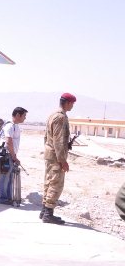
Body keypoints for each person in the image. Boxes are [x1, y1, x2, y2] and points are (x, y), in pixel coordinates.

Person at [41, 92, 76, 224]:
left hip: (50, 154)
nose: (72, 106)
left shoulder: (52, 115)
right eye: (72, 103)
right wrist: (63, 161)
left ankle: (44, 211)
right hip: (56, 157)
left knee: (49, 182)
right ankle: (48, 214)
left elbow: (46, 137)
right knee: (56, 184)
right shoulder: (60, 117)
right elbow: (58, 141)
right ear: (67, 103)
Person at [0, 107, 27, 204]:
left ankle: (8, 197)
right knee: (4, 177)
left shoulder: (15, 126)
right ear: (18, 115)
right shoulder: (9, 126)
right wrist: (14, 157)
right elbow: (8, 142)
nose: (25, 118)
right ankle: (2, 198)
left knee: (9, 177)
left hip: (11, 154)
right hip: (7, 154)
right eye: (24, 116)